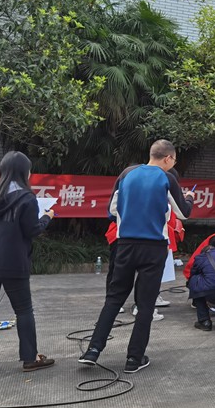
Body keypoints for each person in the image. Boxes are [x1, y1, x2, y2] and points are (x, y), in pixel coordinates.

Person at [80, 140, 194, 373]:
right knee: (145, 304)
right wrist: (190, 197)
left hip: (125, 244)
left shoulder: (127, 174)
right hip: (153, 248)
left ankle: (92, 350)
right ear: (168, 158)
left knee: (114, 298)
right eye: (174, 160)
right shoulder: (167, 178)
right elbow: (183, 213)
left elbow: (111, 210)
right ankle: (134, 358)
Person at [0, 151, 55, 375]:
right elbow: (32, 230)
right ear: (24, 172)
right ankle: (30, 358)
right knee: (23, 310)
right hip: (12, 261)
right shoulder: (26, 198)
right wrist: (47, 217)